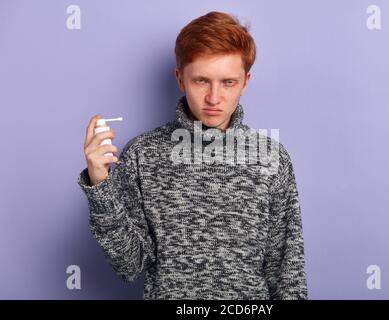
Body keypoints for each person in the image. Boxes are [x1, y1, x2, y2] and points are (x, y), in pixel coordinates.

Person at [78, 11, 308, 300]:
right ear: (180, 78)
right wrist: (101, 186)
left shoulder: (272, 158)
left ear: (245, 82)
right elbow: (129, 266)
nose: (214, 98)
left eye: (228, 82)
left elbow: (288, 274)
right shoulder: (142, 155)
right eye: (201, 81)